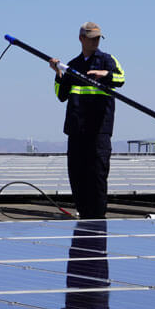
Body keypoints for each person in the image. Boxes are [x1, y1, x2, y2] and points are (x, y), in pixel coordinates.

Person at [49, 22, 125, 220]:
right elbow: (61, 95)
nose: (95, 42)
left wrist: (104, 75)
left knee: (97, 177)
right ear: (82, 39)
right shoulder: (73, 66)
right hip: (76, 131)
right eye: (92, 38)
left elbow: (121, 79)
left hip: (99, 130)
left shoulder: (107, 60)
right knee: (77, 177)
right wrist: (58, 75)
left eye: (98, 38)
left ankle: (98, 219)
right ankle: (83, 216)